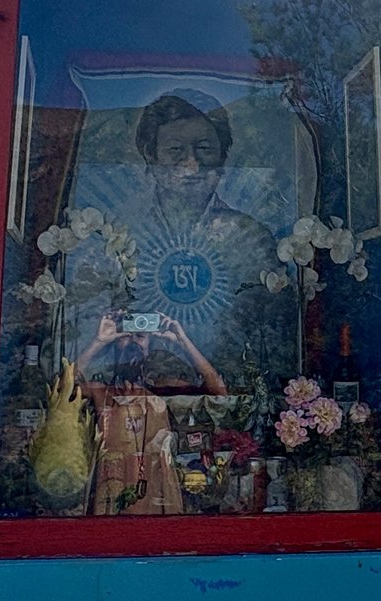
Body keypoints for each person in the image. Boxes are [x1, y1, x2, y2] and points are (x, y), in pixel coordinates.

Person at [69, 90, 296, 395]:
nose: (191, 164)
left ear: (222, 156)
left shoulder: (251, 238)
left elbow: (277, 339)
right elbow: (84, 321)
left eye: (204, 148)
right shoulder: (115, 234)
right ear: (151, 157)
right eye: (175, 150)